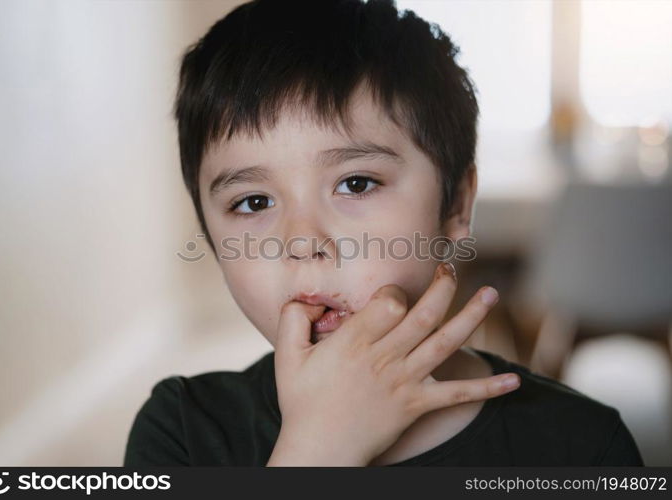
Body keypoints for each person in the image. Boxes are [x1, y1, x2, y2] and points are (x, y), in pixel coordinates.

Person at [123, 0, 644, 466]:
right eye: (253, 201)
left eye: (355, 183)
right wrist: (318, 452)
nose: (302, 241)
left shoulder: (582, 447)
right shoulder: (182, 434)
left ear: (456, 203)